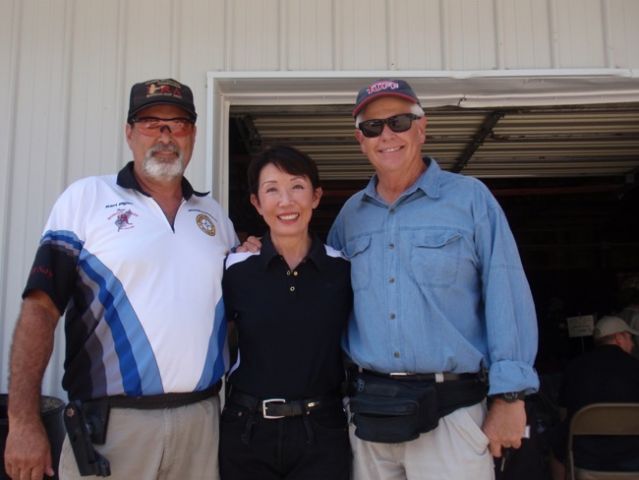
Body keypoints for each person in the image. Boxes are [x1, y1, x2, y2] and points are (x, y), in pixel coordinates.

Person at [4, 78, 238, 480]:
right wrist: (23, 422)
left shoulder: (213, 216)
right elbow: (40, 310)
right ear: (129, 133)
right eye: (150, 122)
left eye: (178, 123)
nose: (165, 136)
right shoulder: (86, 199)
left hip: (202, 425)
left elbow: (239, 312)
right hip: (110, 431)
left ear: (193, 134)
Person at [327, 79, 539, 479]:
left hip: (452, 412)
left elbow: (506, 295)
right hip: (371, 415)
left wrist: (510, 396)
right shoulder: (350, 217)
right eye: (373, 127)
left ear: (421, 129)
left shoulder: (470, 200)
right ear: (361, 140)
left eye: (399, 122)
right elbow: (322, 298)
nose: (386, 135)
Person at [220, 146, 352, 480]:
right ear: (256, 202)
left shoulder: (343, 271)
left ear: (316, 196)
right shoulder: (233, 269)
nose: (286, 201)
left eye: (297, 186)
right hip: (247, 431)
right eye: (272, 189)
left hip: (323, 431)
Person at [550, 315, 639, 478]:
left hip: (585, 459)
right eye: (630, 338)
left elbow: (563, 414)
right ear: (619, 338)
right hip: (634, 459)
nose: (633, 344)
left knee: (556, 442)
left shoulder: (574, 367)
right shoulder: (636, 367)